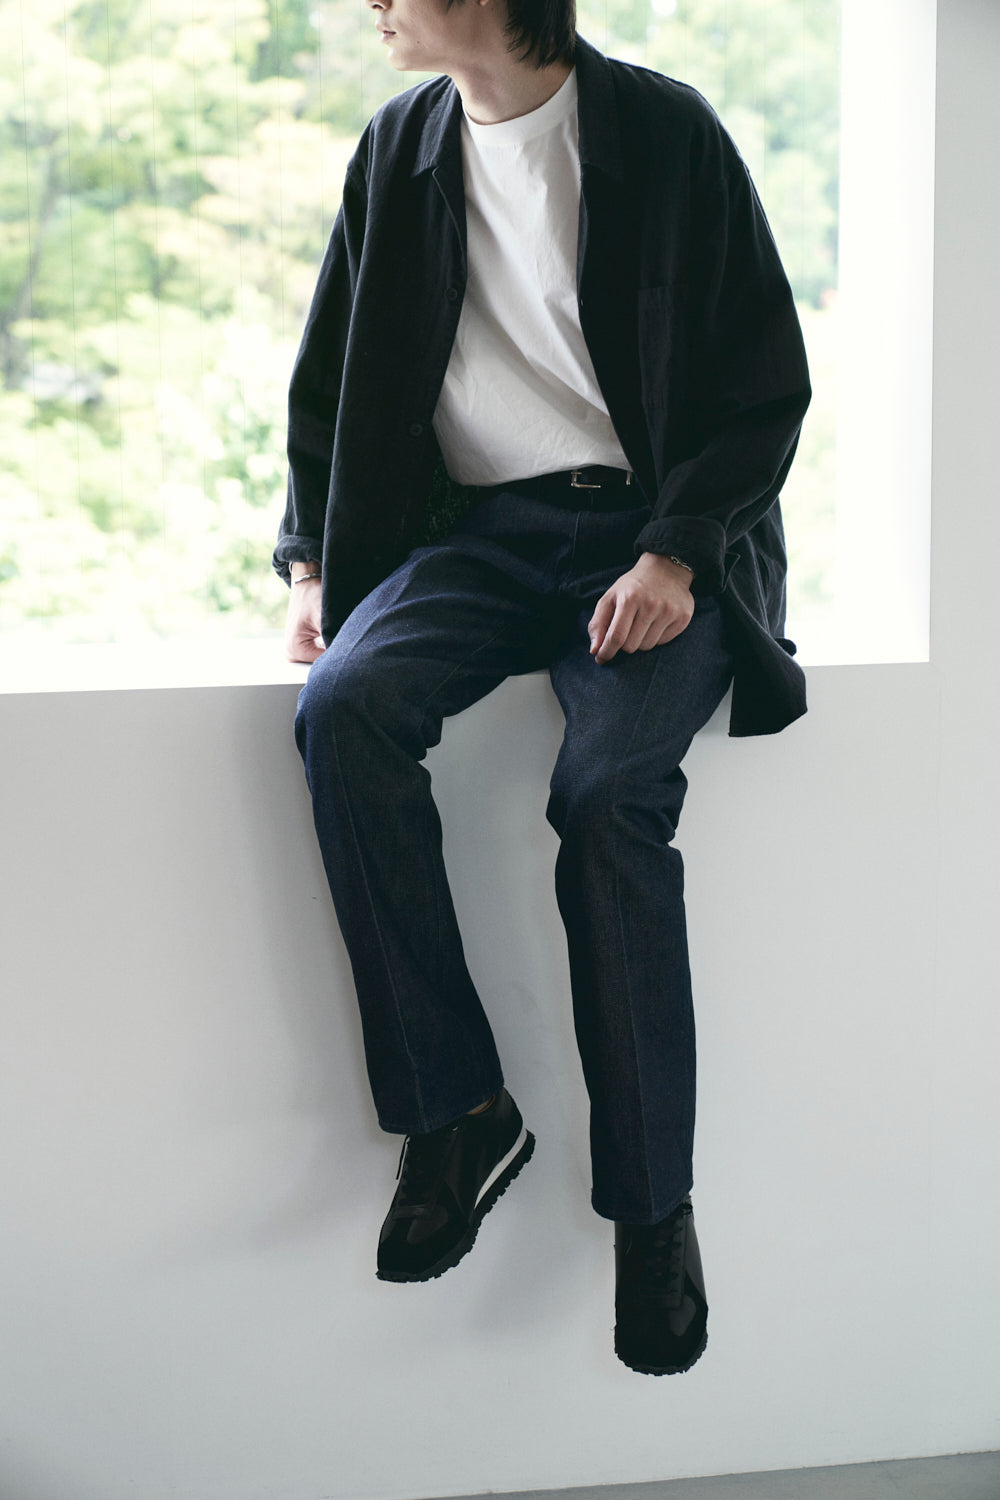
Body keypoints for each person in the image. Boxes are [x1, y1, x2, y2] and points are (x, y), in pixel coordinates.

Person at [274, 0, 810, 1377]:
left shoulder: (663, 134)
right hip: (484, 536)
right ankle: (457, 1112)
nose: (372, 3)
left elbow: (764, 383)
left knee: (609, 794)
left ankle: (653, 1207)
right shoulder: (399, 149)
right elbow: (333, 376)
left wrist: (679, 553)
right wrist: (311, 561)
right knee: (344, 707)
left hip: (655, 534)